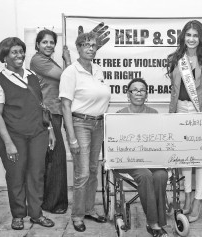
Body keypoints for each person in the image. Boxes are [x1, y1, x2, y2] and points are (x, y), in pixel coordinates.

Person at [0, 37, 56, 230]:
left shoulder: (32, 76)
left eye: (21, 51)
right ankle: (18, 215)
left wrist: (49, 129)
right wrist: (8, 143)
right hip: (13, 136)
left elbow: (41, 106)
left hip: (38, 134)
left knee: (36, 175)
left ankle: (36, 214)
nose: (20, 55)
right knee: (16, 176)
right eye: (14, 52)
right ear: (5, 57)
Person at [166, 20, 202, 222]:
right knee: (184, 156)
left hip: (201, 111)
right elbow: (174, 89)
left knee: (201, 157)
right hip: (180, 109)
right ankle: (187, 194)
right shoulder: (175, 58)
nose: (191, 39)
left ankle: (198, 199)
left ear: (201, 38)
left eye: (195, 35)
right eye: (188, 35)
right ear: (183, 37)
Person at [59, 31, 111, 232]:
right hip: (79, 124)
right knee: (81, 174)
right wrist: (71, 137)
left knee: (92, 171)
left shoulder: (97, 70)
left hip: (98, 125)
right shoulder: (71, 72)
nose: (91, 48)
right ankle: (77, 215)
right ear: (78, 47)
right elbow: (65, 106)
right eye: (86, 45)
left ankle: (89, 209)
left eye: (94, 46)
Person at [117, 78, 169, 237]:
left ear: (146, 95)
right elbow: (114, 142)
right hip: (127, 160)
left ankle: (156, 221)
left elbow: (160, 140)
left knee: (161, 175)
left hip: (149, 158)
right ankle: (153, 223)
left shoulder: (154, 114)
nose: (138, 93)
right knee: (145, 175)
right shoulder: (119, 115)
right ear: (128, 94)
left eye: (142, 90)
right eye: (134, 90)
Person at [30, 29, 71, 214]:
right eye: (44, 42)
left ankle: (47, 202)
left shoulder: (49, 61)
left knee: (49, 159)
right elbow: (67, 77)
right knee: (56, 157)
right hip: (46, 114)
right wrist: (68, 59)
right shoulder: (38, 60)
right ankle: (54, 204)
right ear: (37, 44)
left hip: (54, 112)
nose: (48, 45)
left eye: (51, 42)